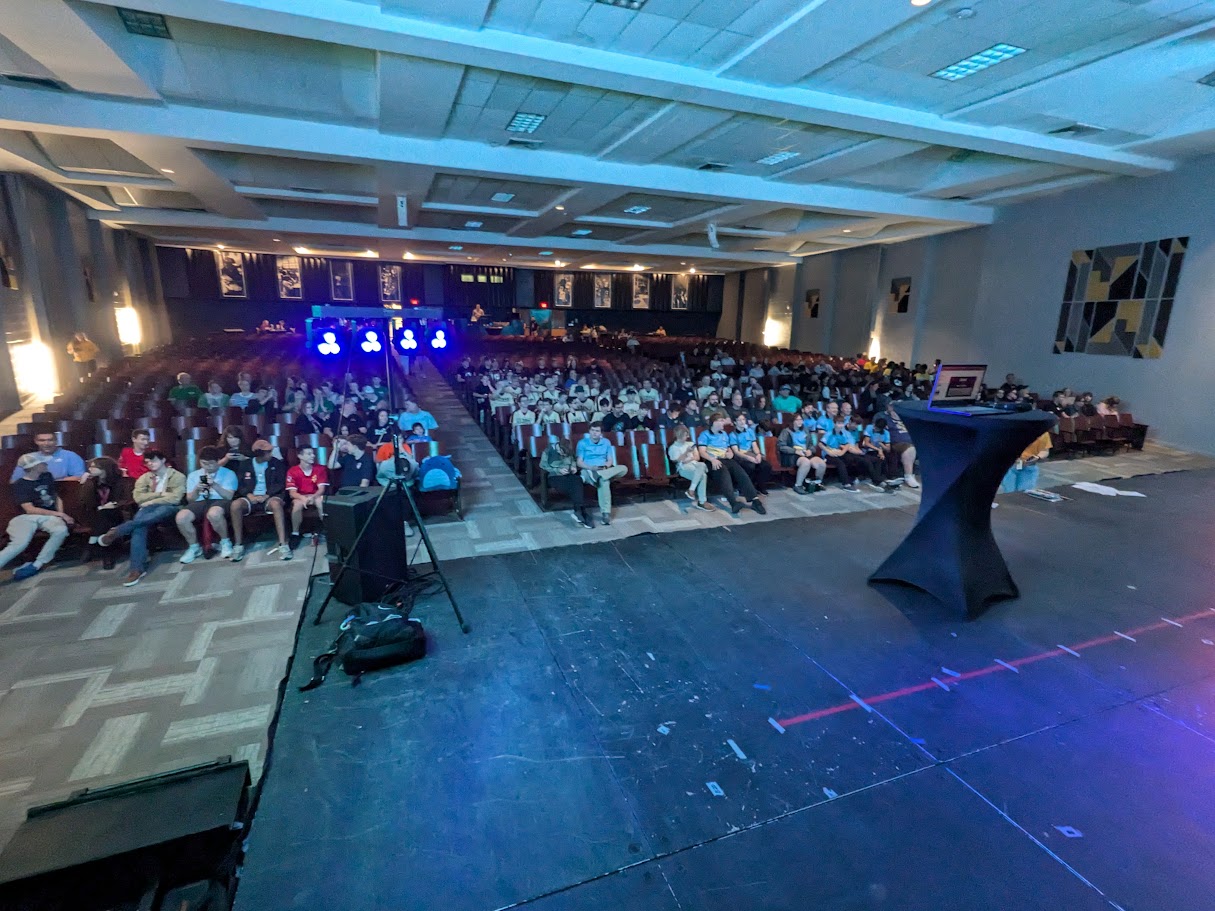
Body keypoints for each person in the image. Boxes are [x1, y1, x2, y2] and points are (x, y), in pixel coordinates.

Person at [98, 450, 186, 586]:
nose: (150, 464)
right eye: (147, 462)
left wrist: (151, 500)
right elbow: (138, 497)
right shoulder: (145, 478)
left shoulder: (177, 476)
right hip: (148, 508)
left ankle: (119, 530)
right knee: (139, 527)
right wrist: (160, 494)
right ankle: (136, 569)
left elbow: (175, 498)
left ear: (163, 460)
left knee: (148, 517)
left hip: (169, 508)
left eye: (153, 460)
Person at [1, 453, 73, 580]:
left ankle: (37, 564)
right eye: (42, 463)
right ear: (34, 467)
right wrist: (59, 514)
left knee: (60, 530)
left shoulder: (47, 476)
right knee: (19, 543)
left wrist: (60, 515)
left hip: (49, 516)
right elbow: (29, 509)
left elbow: (56, 497)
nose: (45, 464)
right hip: (27, 517)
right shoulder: (20, 484)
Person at [226, 440, 289, 562]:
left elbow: (280, 483)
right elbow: (240, 484)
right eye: (268, 452)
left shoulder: (277, 463)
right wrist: (249, 495)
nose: (271, 454)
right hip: (251, 496)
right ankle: (238, 545)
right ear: (259, 454)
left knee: (276, 504)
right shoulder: (245, 464)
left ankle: (283, 544)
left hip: (270, 496)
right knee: (235, 505)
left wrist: (267, 495)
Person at [175, 445, 238, 563]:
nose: (208, 467)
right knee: (181, 517)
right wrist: (197, 489)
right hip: (200, 501)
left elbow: (228, 496)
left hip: (220, 500)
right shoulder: (193, 475)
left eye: (211, 464)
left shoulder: (228, 473)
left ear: (218, 461)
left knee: (214, 513)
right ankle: (194, 547)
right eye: (204, 463)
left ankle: (225, 542)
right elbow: (190, 499)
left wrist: (214, 485)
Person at [697, 413, 764, 515]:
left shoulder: (724, 434)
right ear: (714, 422)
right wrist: (712, 460)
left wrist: (730, 453)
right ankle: (733, 503)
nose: (723, 423)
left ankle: (755, 500)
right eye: (721, 421)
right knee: (724, 473)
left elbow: (729, 449)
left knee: (741, 473)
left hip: (726, 459)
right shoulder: (705, 434)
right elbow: (702, 451)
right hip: (713, 461)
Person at [575, 422, 628, 525]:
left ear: (601, 433)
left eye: (597, 431)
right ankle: (606, 513)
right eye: (592, 430)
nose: (594, 433)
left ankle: (599, 475)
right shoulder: (582, 443)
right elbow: (579, 462)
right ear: (589, 431)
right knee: (604, 481)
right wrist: (591, 468)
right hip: (588, 470)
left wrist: (604, 467)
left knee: (623, 468)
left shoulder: (606, 442)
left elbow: (610, 460)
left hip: (603, 470)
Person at [820, 415, 888, 493]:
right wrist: (829, 452)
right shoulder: (829, 433)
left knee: (856, 459)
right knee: (841, 463)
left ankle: (876, 480)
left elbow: (846, 444)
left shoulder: (842, 433)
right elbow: (821, 444)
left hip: (839, 453)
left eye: (841, 423)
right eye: (838, 423)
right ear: (834, 424)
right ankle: (846, 484)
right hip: (828, 455)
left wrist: (842, 452)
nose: (840, 425)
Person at [81, 456, 125, 569]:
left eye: (93, 467)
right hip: (96, 516)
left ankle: (91, 545)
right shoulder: (92, 483)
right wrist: (85, 484)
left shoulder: (118, 481)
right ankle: (107, 556)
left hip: (116, 513)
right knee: (103, 517)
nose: (90, 469)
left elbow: (123, 500)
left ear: (104, 468)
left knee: (105, 514)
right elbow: (85, 501)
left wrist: (113, 505)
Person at [541, 438, 593, 528]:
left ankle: (578, 512)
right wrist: (558, 470)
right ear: (559, 448)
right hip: (555, 476)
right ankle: (582, 511)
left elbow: (573, 461)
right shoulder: (548, 450)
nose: (564, 455)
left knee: (578, 480)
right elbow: (543, 465)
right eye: (562, 453)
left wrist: (573, 467)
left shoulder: (569, 451)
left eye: (566, 454)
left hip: (568, 474)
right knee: (573, 487)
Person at [286, 445, 328, 548]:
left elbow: (321, 489)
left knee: (320, 501)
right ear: (300, 456)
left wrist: (312, 497)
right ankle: (295, 533)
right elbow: (292, 492)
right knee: (297, 505)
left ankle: (328, 530)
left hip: (315, 495)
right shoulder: (292, 471)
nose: (313, 456)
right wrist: (303, 498)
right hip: (300, 496)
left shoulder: (320, 469)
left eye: (313, 453)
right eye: (309, 454)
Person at [9, 430, 86, 482]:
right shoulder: (26, 458)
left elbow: (79, 477)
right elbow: (15, 481)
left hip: (62, 492)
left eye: (50, 440)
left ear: (56, 441)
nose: (46, 443)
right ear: (36, 442)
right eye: (42, 440)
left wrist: (50, 484)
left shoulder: (70, 456)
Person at [667, 424, 712, 511]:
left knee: (701, 465)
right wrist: (687, 453)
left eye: (687, 435)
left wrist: (688, 458)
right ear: (679, 436)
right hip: (684, 468)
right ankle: (702, 502)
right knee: (703, 475)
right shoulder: (673, 447)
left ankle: (691, 490)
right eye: (685, 435)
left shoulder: (691, 444)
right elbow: (678, 461)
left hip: (695, 465)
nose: (687, 437)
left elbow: (697, 457)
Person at [778, 415, 826, 494]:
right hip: (792, 454)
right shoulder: (786, 431)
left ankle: (818, 483)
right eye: (797, 420)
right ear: (792, 421)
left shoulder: (806, 430)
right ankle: (798, 485)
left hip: (806, 452)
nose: (800, 421)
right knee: (806, 462)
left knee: (821, 464)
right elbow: (781, 446)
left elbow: (811, 445)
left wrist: (810, 450)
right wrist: (795, 451)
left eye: (801, 420)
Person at [729, 413, 773, 495]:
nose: (742, 422)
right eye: (739, 420)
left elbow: (754, 445)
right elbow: (736, 452)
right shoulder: (732, 435)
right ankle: (748, 487)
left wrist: (758, 454)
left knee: (766, 465)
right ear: (735, 422)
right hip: (741, 456)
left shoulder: (749, 431)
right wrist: (749, 458)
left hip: (751, 453)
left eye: (743, 420)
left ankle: (760, 486)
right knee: (750, 466)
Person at [882, 401, 919, 487]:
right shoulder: (886, 419)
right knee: (910, 448)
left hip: (912, 441)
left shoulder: (905, 418)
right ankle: (908, 476)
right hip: (896, 443)